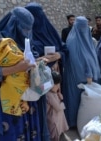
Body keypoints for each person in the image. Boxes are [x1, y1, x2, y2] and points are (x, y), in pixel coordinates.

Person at [0, 7, 38, 141]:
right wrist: (15, 68)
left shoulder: (21, 42)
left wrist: (38, 63)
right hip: (4, 103)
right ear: (14, 24)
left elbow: (31, 56)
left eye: (29, 29)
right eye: (24, 29)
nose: (26, 33)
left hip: (26, 98)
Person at [25, 2, 68, 141]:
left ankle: (55, 132)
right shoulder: (26, 35)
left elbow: (64, 48)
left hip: (54, 78)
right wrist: (41, 60)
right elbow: (25, 58)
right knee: (44, 109)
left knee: (54, 107)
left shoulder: (49, 31)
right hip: (39, 80)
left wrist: (59, 55)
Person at [63, 16, 101, 127]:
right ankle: (75, 122)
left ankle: (82, 121)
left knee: (83, 100)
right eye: (82, 26)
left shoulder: (82, 37)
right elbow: (79, 60)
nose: (84, 29)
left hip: (84, 75)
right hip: (79, 75)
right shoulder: (74, 40)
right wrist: (89, 72)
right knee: (76, 98)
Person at [46, 71, 68, 141]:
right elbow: (58, 108)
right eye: (56, 84)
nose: (58, 86)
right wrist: (62, 103)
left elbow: (60, 98)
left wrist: (59, 96)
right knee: (55, 131)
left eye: (58, 84)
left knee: (60, 124)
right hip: (53, 116)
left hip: (58, 115)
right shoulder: (49, 95)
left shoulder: (53, 92)